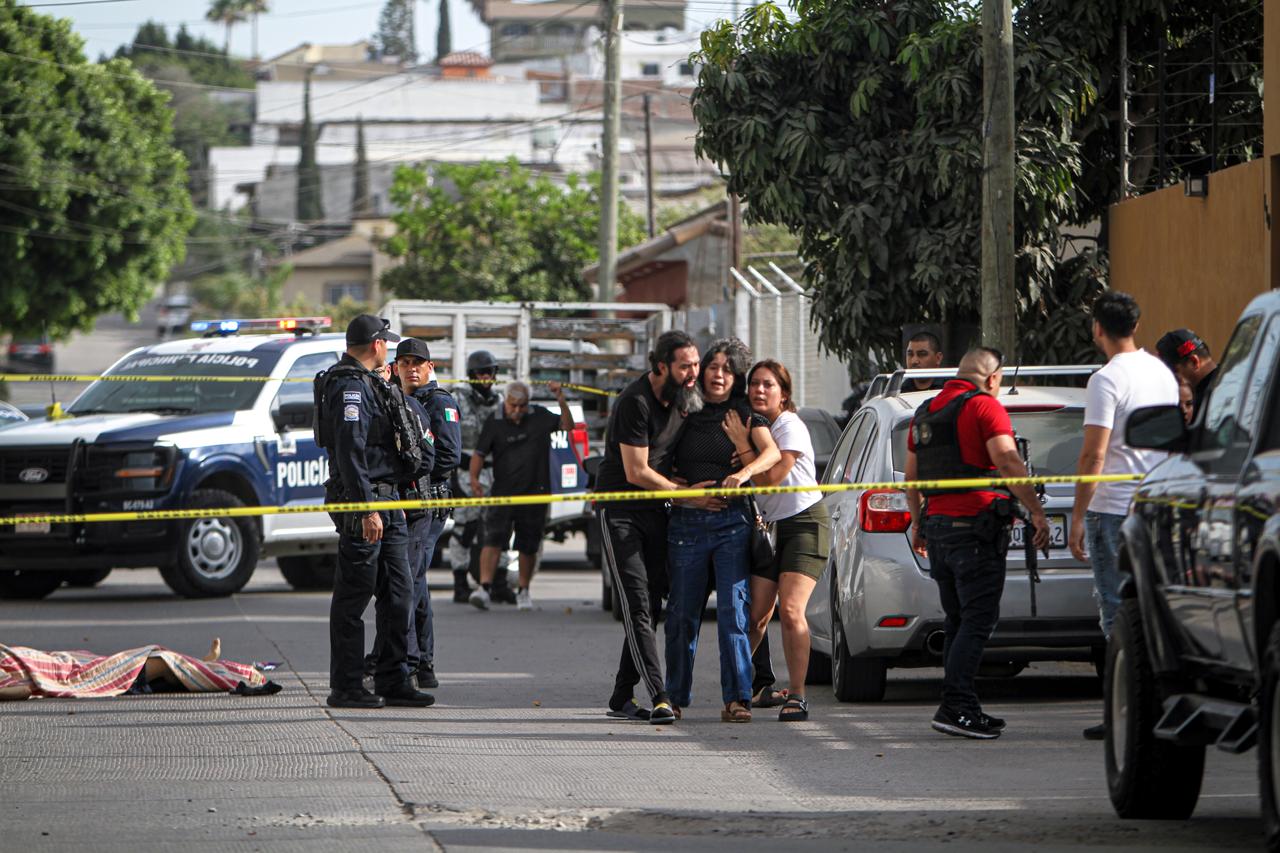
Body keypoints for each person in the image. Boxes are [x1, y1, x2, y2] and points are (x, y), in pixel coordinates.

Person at [904, 347, 1050, 740]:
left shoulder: (926, 411)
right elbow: (1008, 460)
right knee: (978, 619)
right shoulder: (984, 405)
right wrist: (1036, 511)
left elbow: (911, 479)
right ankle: (955, 705)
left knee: (958, 619)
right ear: (993, 378)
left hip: (938, 530)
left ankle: (962, 704)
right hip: (974, 532)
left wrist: (919, 524)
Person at [1071, 292, 1178, 741]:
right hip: (1157, 505)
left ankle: (1126, 712)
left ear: (1097, 328)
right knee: (1153, 607)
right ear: (1135, 325)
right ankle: (1152, 706)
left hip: (1114, 508)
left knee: (1116, 613)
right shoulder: (1161, 372)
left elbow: (1094, 454)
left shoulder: (1106, 379)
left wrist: (1078, 515)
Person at [317, 314, 434, 709]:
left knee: (399, 593)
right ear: (377, 345)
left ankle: (393, 677)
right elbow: (350, 453)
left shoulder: (370, 382)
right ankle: (346, 685)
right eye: (387, 342)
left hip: (390, 499)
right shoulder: (349, 386)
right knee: (353, 598)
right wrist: (366, 508)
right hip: (365, 503)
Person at [664, 338, 781, 723]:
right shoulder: (684, 408)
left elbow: (772, 453)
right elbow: (656, 455)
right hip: (687, 524)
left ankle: (738, 699)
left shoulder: (744, 413)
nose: (719, 375)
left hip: (733, 523)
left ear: (737, 377)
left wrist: (743, 473)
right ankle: (673, 698)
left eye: (728, 370)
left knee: (734, 612)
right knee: (682, 615)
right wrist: (678, 491)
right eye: (713, 367)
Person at [595, 330, 701, 725]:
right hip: (621, 511)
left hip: (658, 511)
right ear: (661, 366)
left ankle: (622, 694)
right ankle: (660, 696)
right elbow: (636, 471)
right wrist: (683, 493)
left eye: (696, 364)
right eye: (685, 366)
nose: (693, 373)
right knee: (637, 604)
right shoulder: (634, 402)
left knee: (652, 605)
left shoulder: (685, 399)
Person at [729, 359, 828, 722]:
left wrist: (742, 446)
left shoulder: (789, 425)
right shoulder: (757, 427)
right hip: (769, 527)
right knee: (755, 615)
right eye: (754, 383)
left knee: (790, 611)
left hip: (805, 524)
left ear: (784, 394)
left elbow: (770, 480)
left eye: (768, 384)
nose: (759, 390)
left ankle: (797, 695)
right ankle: (737, 692)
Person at [366, 338, 461, 691]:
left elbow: (448, 456)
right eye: (404, 363)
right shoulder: (398, 398)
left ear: (430, 367)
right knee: (410, 582)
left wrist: (408, 471)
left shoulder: (439, 402)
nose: (411, 369)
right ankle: (416, 661)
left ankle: (410, 661)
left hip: (427, 506)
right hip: (406, 503)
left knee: (408, 581)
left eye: (417, 363)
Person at [469, 380, 573, 611]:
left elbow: (568, 426)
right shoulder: (495, 420)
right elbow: (479, 452)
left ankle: (524, 591)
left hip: (535, 493)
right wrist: (474, 479)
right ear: (505, 401)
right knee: (492, 540)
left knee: (528, 545)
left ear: (529, 403)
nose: (517, 410)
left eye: (522, 405)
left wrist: (561, 399)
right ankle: (484, 588)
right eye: (512, 405)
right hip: (503, 493)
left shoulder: (540, 416)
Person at [448, 350, 513, 605]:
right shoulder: (457, 399)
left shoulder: (501, 402)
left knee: (500, 530)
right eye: (481, 372)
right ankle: (460, 583)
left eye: (490, 372)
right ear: (471, 374)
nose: (486, 377)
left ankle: (499, 582)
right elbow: (446, 435)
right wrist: (452, 476)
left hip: (495, 473)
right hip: (465, 473)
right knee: (464, 529)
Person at [1156, 328, 1219, 422]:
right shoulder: (1232, 380)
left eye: (1175, 371)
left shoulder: (1205, 406)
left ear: (1194, 362)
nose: (1172, 379)